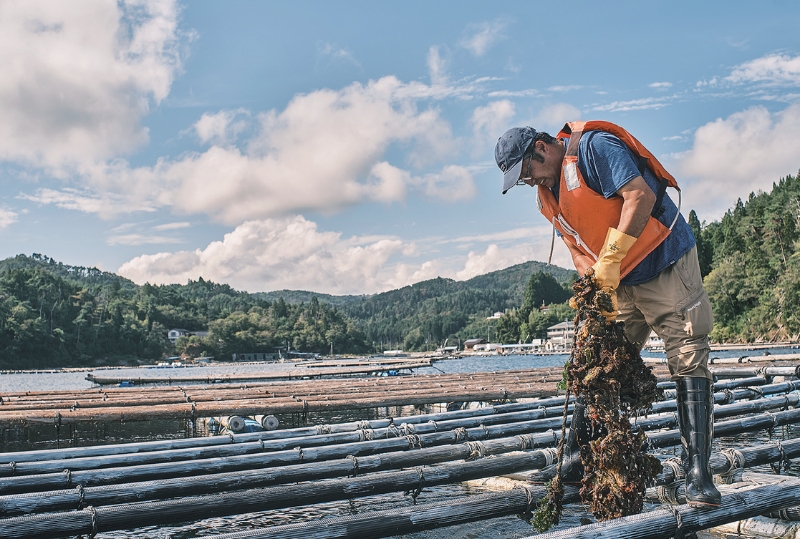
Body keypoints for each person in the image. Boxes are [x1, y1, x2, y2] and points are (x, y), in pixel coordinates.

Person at [494, 121, 720, 507]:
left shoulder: (594, 149)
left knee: (686, 355)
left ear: (541, 148)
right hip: (618, 281)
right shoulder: (547, 197)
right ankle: (575, 463)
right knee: (595, 360)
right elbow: (578, 248)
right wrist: (592, 288)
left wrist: (611, 258)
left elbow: (640, 196)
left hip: (663, 260)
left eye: (527, 171)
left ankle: (698, 471)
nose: (528, 182)